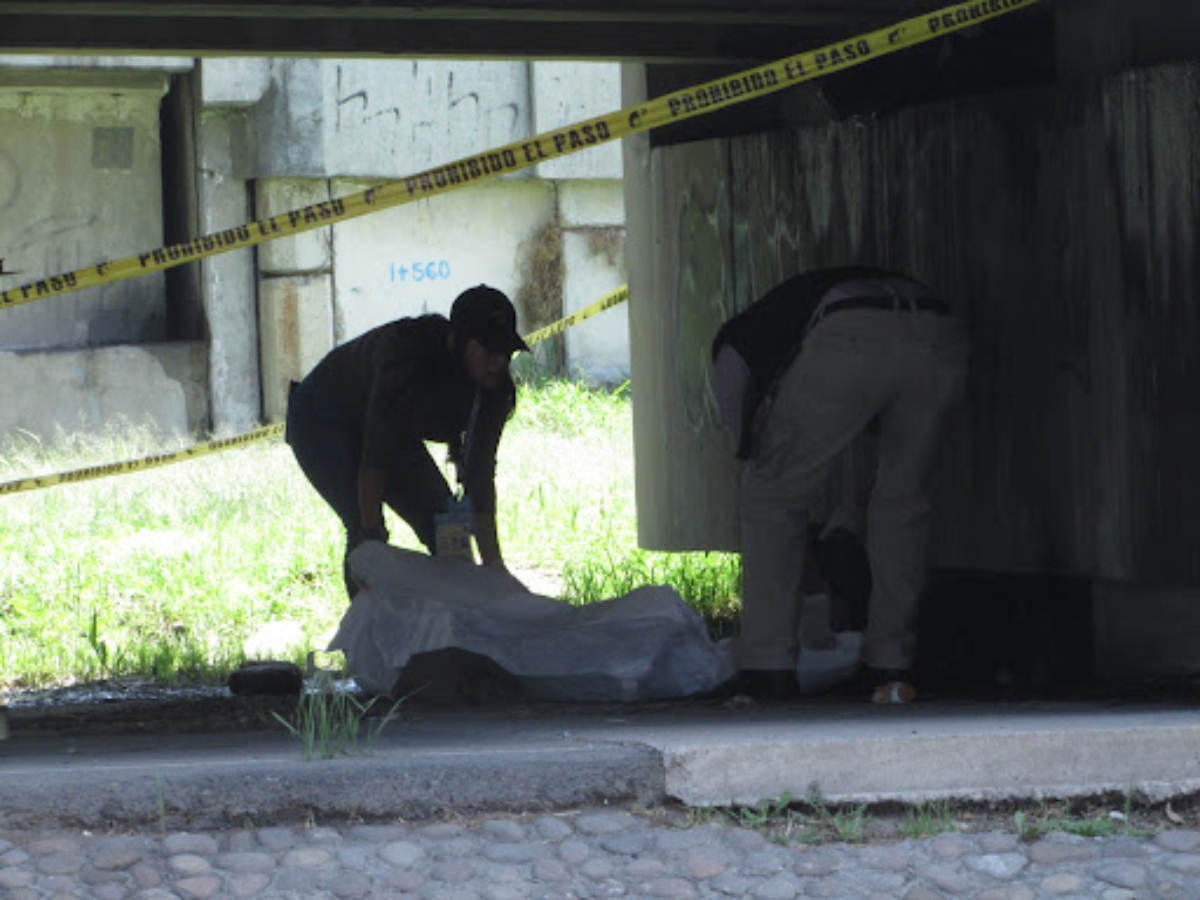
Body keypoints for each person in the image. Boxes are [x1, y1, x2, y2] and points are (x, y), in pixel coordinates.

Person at [711, 266, 970, 703]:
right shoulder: (783, 318)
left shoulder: (731, 348)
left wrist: (765, 460)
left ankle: (767, 668)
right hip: (939, 331)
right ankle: (890, 665)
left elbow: (746, 444)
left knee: (770, 495)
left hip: (850, 331)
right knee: (903, 501)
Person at [286, 284, 530, 599]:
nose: (498, 361)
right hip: (322, 418)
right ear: (458, 342)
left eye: (505, 351)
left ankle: (458, 633)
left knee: (448, 531)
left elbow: (479, 476)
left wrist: (494, 566)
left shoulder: (495, 391)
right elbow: (375, 455)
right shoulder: (407, 357)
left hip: (395, 428)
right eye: (488, 349)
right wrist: (372, 534)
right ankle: (370, 637)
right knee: (366, 537)